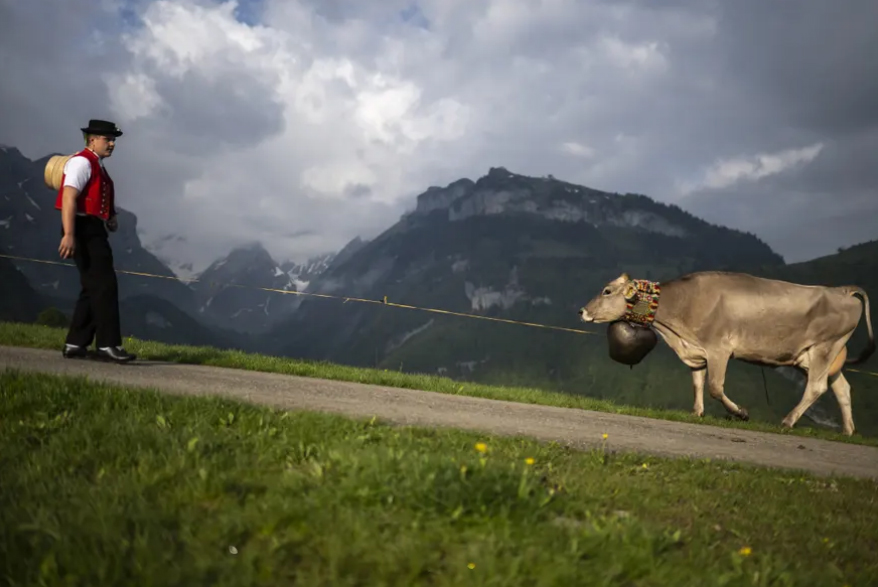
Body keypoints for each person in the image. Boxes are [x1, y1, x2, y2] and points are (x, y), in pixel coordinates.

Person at [56, 119, 136, 363]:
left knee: (93, 286)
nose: (112, 144)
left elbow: (93, 196)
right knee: (105, 285)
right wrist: (69, 234)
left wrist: (108, 216)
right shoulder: (81, 162)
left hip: (92, 226)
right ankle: (108, 345)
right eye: (107, 139)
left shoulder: (96, 164)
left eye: (113, 140)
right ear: (92, 139)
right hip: (82, 228)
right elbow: (70, 197)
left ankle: (75, 344)